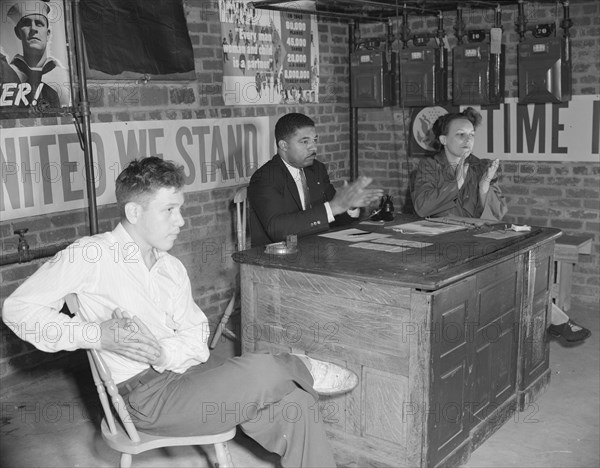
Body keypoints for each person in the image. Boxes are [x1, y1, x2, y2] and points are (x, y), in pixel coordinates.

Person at [2, 156, 359, 467]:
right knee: (266, 366)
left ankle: (293, 374)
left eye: (181, 209)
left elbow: (197, 338)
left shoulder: (170, 267)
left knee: (295, 403)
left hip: (186, 377)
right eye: (169, 210)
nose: (181, 221)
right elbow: (17, 309)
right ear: (134, 212)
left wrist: (163, 351)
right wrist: (96, 334)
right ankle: (300, 365)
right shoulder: (90, 255)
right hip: (145, 399)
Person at [411, 107, 590, 344]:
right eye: (460, 135)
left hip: (474, 238)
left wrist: (484, 188)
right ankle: (554, 319)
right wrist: (456, 183)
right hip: (441, 242)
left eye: (472, 135)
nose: (468, 141)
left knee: (517, 268)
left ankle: (551, 318)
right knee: (505, 276)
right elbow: (423, 207)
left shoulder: (480, 166)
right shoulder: (428, 168)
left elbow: (494, 215)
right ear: (443, 140)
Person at [248, 112, 383, 246]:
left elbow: (334, 217)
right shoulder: (265, 178)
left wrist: (349, 206)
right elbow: (278, 230)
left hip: (317, 249)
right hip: (277, 257)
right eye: (305, 141)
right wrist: (334, 207)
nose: (313, 147)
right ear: (283, 145)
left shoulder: (317, 169)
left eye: (315, 140)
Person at [6, 0, 68, 109]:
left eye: (39, 24)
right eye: (26, 23)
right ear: (17, 32)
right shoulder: (7, 74)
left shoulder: (64, 76)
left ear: (48, 34)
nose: (33, 29)